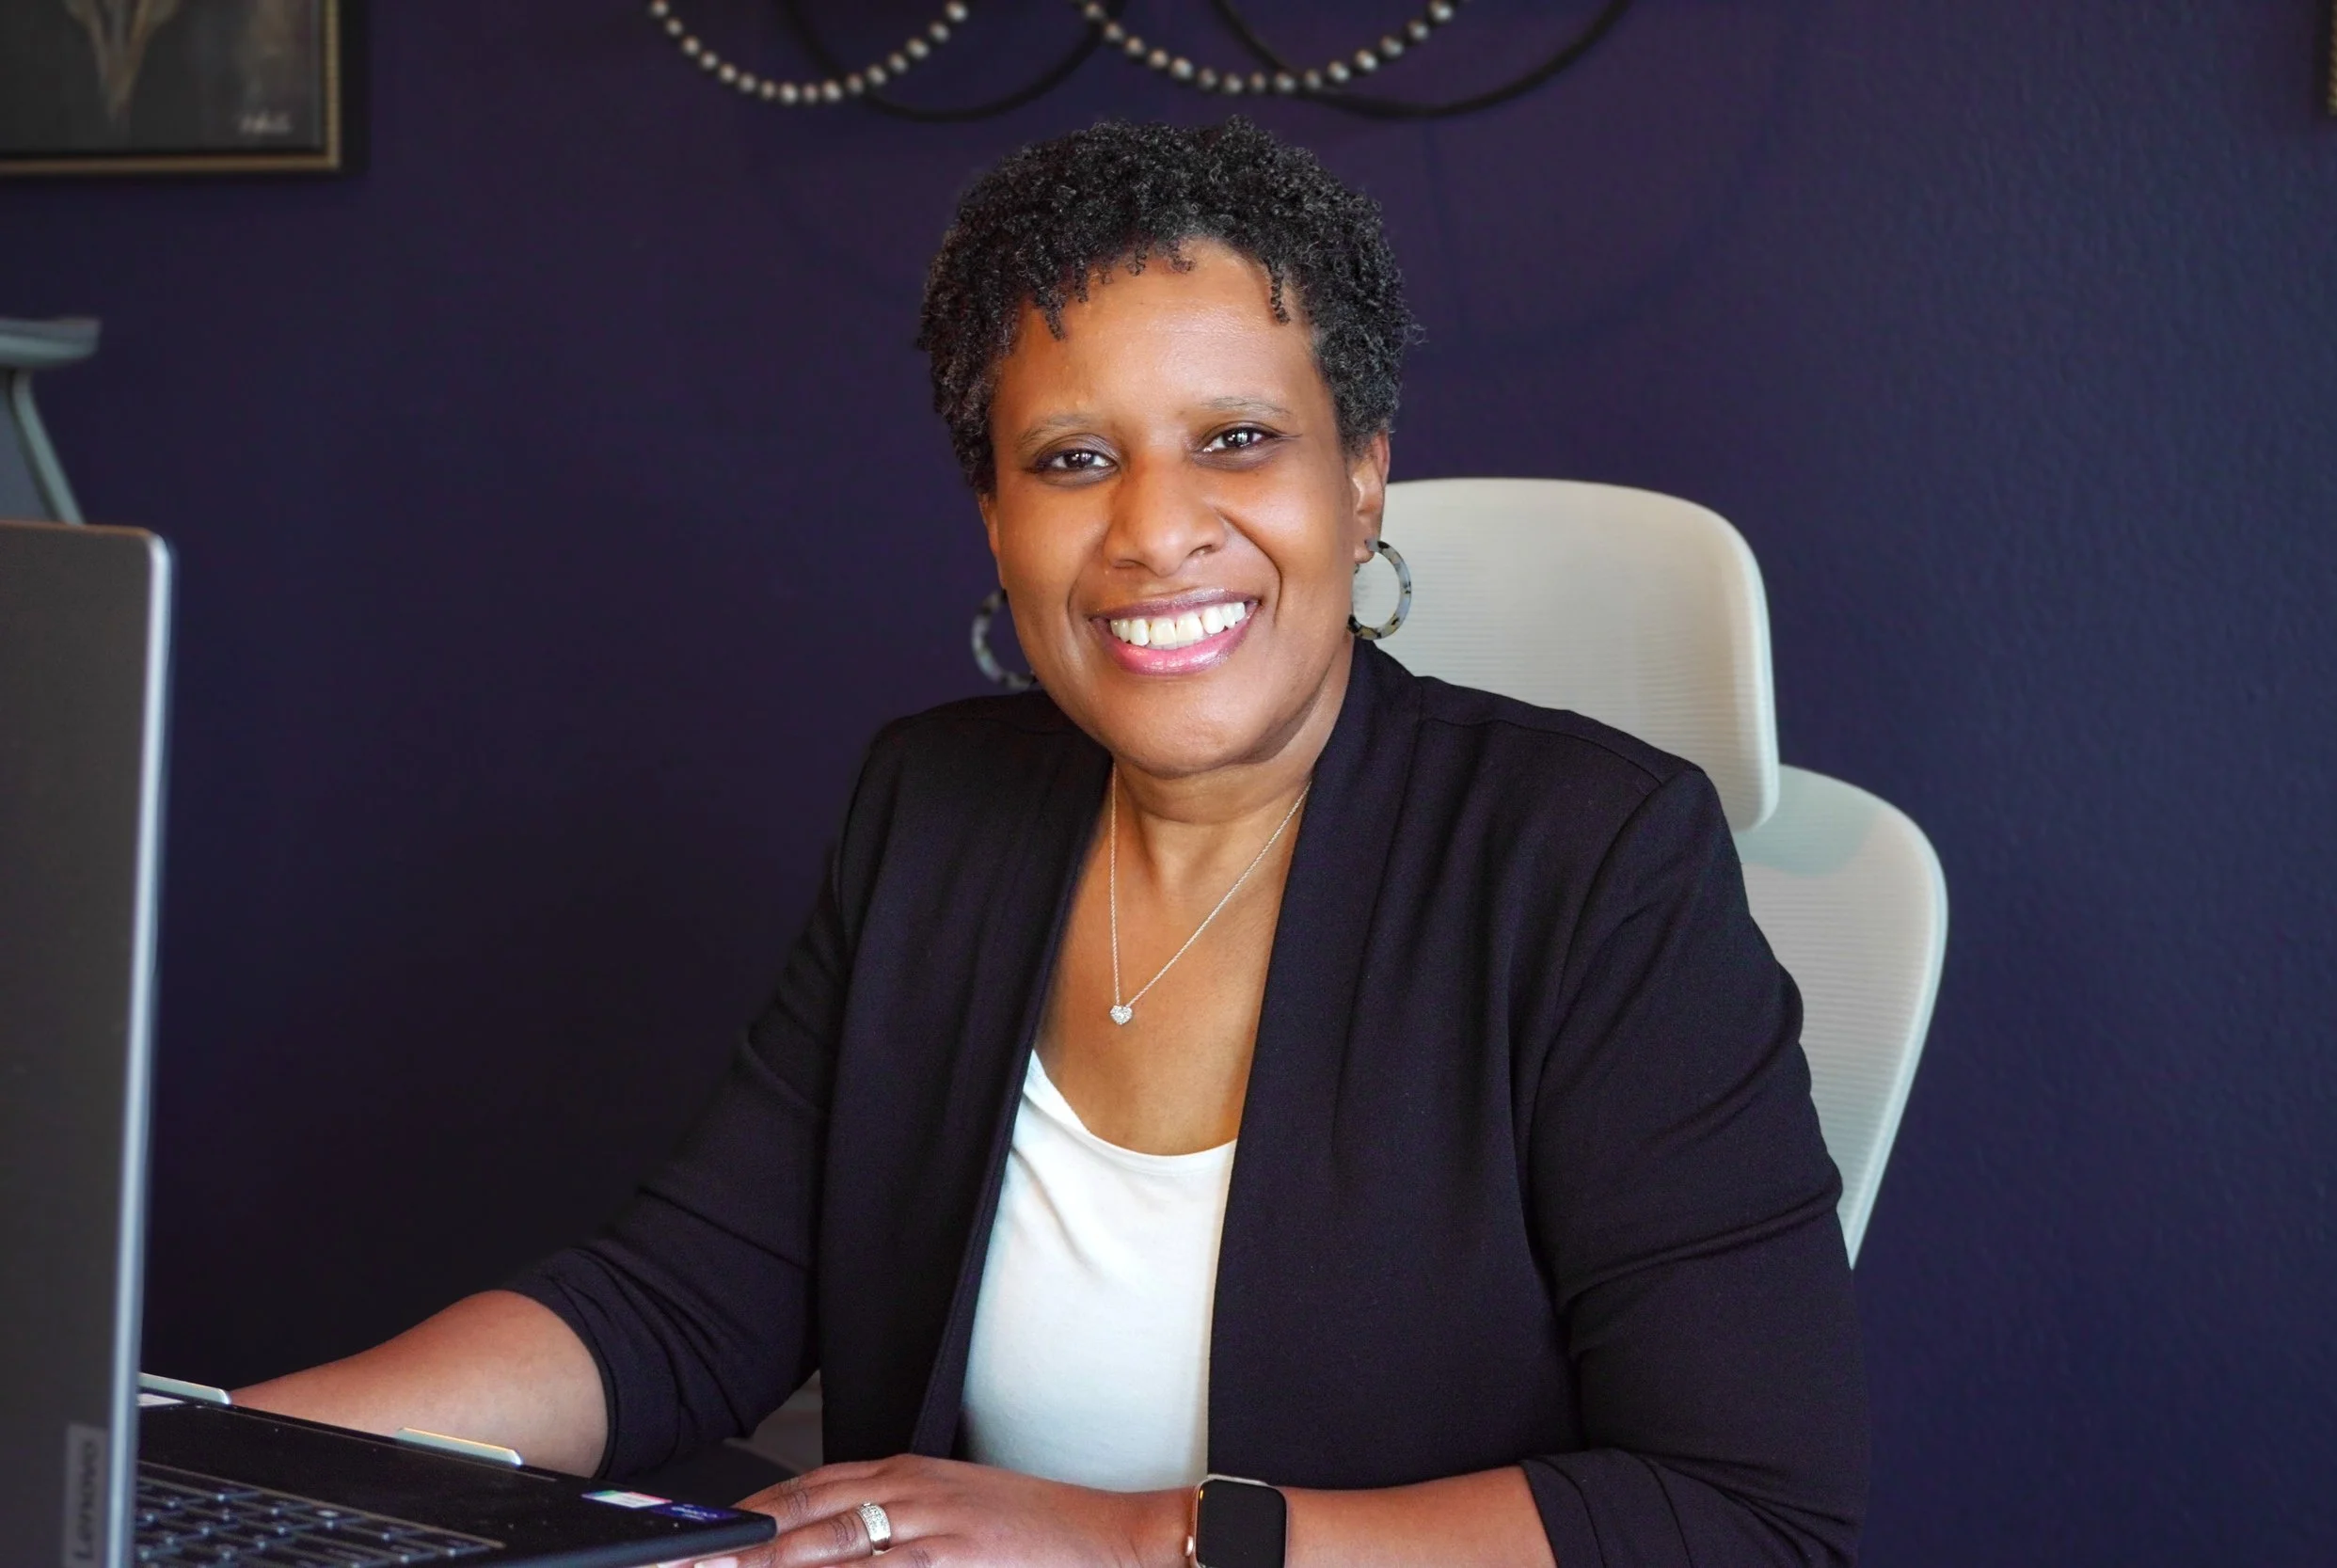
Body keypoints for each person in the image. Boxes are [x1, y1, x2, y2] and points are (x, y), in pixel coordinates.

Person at [238, 118, 1868, 1567]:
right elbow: (678, 1301)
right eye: (1074, 460)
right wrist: (225, 1464)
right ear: (996, 521)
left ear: (1364, 478)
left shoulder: (1597, 865)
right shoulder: (936, 811)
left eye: (1237, 439)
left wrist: (1134, 1542)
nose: (1154, 530)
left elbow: (1744, 1515)